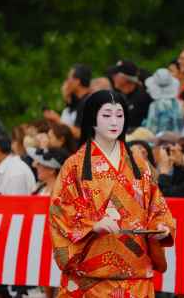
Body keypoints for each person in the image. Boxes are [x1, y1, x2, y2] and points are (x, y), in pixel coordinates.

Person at [50, 90, 175, 297]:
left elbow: (157, 206)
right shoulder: (75, 166)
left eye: (120, 115)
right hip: (89, 282)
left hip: (136, 278)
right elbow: (60, 212)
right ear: (92, 119)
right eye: (107, 115)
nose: (114, 121)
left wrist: (161, 228)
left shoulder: (138, 164)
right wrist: (92, 226)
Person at [44, 64, 92, 139]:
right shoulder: (78, 101)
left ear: (77, 81)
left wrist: (58, 120)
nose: (66, 82)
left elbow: (80, 133)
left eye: (68, 78)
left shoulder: (88, 102)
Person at [112, 60, 152, 129]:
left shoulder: (142, 97)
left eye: (116, 74)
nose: (113, 77)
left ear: (125, 77)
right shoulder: (122, 95)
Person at [143, 68, 184, 134]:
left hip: (160, 141)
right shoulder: (180, 104)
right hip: (178, 141)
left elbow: (151, 130)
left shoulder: (155, 106)